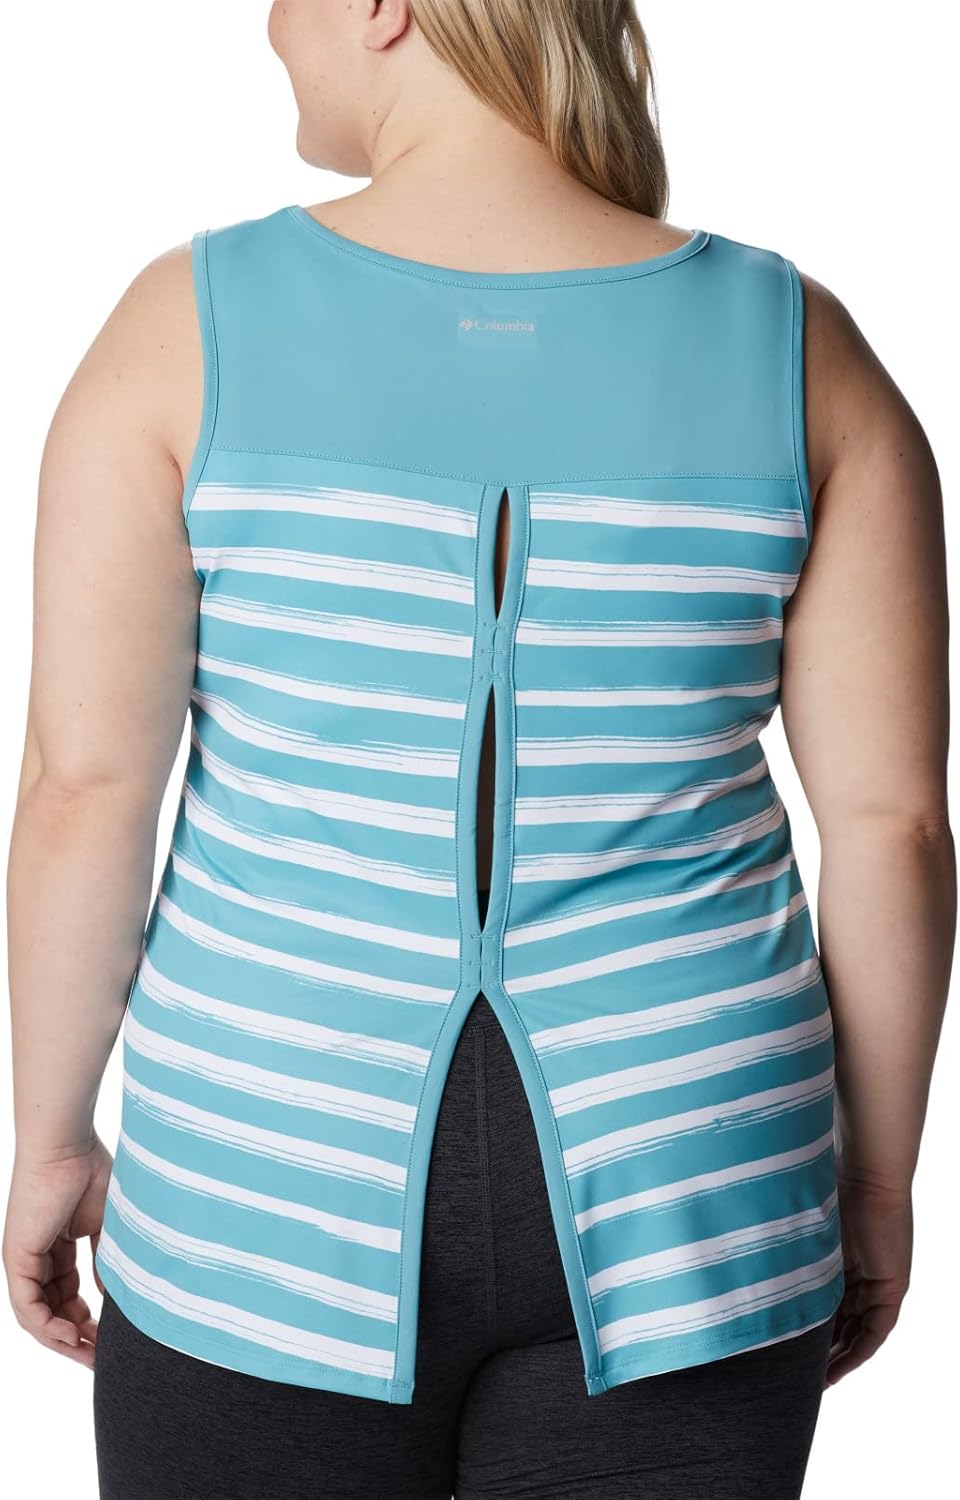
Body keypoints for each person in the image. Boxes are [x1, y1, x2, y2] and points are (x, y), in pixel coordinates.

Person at [3, 2, 953, 1497]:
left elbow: (87, 791)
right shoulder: (797, 345)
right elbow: (895, 825)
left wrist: (53, 1138)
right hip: (694, 1168)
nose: (268, 24)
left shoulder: (188, 327)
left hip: (270, 1162)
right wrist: (877, 1177)